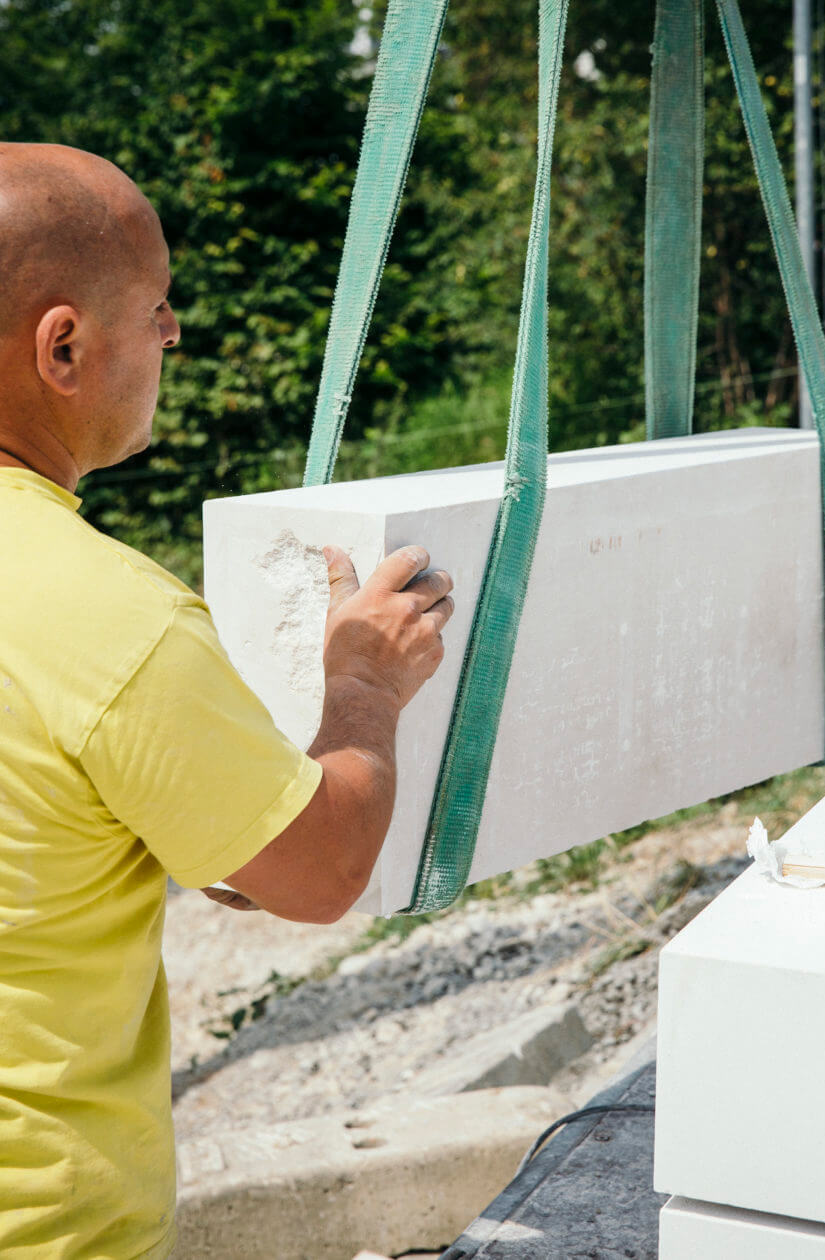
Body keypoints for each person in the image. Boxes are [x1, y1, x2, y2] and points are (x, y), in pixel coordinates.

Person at [0, 143, 454, 1258]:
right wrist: (361, 687)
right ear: (63, 347)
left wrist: (207, 821)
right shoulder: (108, 617)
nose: (174, 335)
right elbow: (320, 869)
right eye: (155, 308)